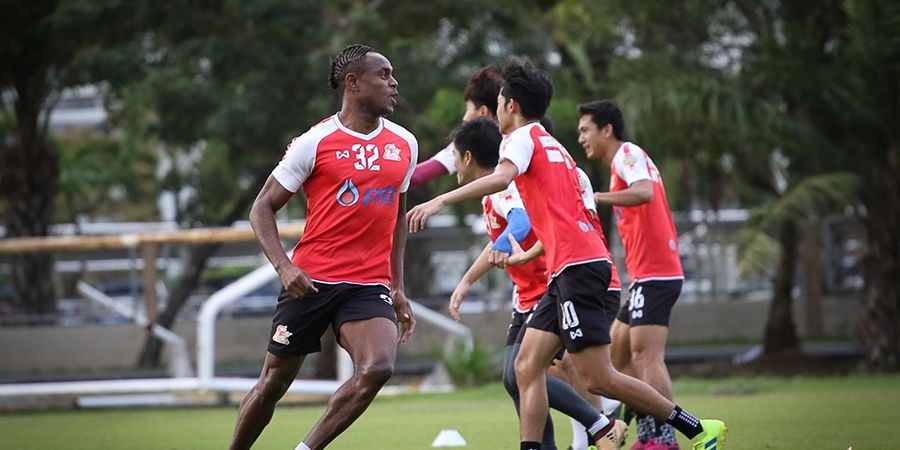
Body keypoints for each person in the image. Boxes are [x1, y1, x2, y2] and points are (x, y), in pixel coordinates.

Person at [407, 57, 727, 450]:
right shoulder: (557, 150)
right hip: (571, 271)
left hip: (580, 272)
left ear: (510, 106)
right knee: (526, 368)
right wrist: (526, 257)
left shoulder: (520, 139)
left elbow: (501, 180)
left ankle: (696, 427)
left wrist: (438, 202)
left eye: (501, 102)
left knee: (597, 377)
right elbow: (567, 220)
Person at [230, 44, 417, 450]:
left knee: (378, 368)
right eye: (383, 74)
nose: (393, 82)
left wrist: (397, 285)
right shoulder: (313, 142)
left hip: (368, 284)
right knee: (274, 382)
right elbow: (261, 208)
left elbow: (397, 218)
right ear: (353, 83)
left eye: (392, 74)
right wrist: (284, 267)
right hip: (311, 282)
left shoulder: (405, 144)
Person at [447, 117, 625, 450]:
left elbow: (522, 220)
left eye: (453, 155)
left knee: (531, 374)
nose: (451, 162)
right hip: (527, 297)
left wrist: (498, 251)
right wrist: (470, 278)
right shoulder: (498, 191)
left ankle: (602, 424)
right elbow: (509, 233)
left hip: (551, 287)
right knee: (520, 377)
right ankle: (589, 429)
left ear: (468, 157)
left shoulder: (503, 186)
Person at [577, 100, 686, 450]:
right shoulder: (619, 165)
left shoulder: (627, 154)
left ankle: (665, 439)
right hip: (645, 275)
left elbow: (645, 192)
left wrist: (596, 197)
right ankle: (647, 434)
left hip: (658, 273)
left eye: (585, 130)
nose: (581, 138)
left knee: (645, 356)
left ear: (606, 130)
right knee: (619, 356)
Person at [409, 66, 503, 188]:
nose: (464, 118)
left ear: (483, 112)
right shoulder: (521, 137)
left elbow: (415, 176)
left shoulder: (470, 141)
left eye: (468, 109)